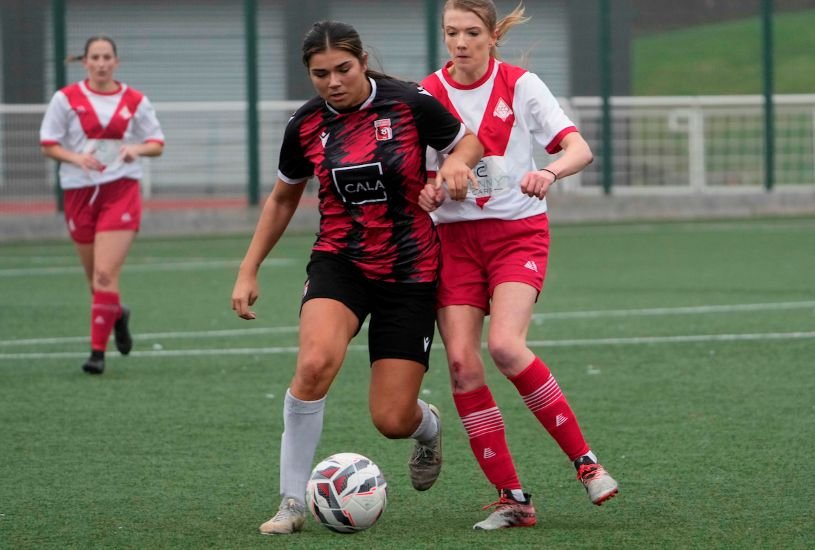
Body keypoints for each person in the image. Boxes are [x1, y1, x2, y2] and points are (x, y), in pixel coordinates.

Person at [230, 20, 483, 535]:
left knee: (391, 419)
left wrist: (456, 165)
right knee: (313, 365)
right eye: (320, 74)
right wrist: (248, 268)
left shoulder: (408, 103)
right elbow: (282, 199)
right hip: (340, 262)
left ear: (363, 61)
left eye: (343, 69)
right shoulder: (305, 125)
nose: (333, 82)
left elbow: (469, 142)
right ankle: (291, 503)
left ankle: (427, 427)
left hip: (410, 272)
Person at [418, 1, 618, 530]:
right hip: (454, 243)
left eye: (471, 32)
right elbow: (419, 177)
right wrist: (429, 192)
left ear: (491, 36)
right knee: (461, 366)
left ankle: (587, 463)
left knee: (506, 346)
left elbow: (578, 149)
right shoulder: (427, 94)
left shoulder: (521, 84)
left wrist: (549, 173)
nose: (460, 43)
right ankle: (512, 499)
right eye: (451, 32)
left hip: (516, 235)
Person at [40, 36, 165, 375]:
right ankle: (118, 313)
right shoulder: (65, 99)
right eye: (95, 57)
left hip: (120, 190)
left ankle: (97, 354)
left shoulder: (135, 100)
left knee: (105, 274)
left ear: (116, 62)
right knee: (96, 281)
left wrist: (136, 149)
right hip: (79, 193)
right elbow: (48, 144)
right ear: (85, 62)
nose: (101, 63)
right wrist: (75, 157)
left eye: (107, 57)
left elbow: (157, 143)